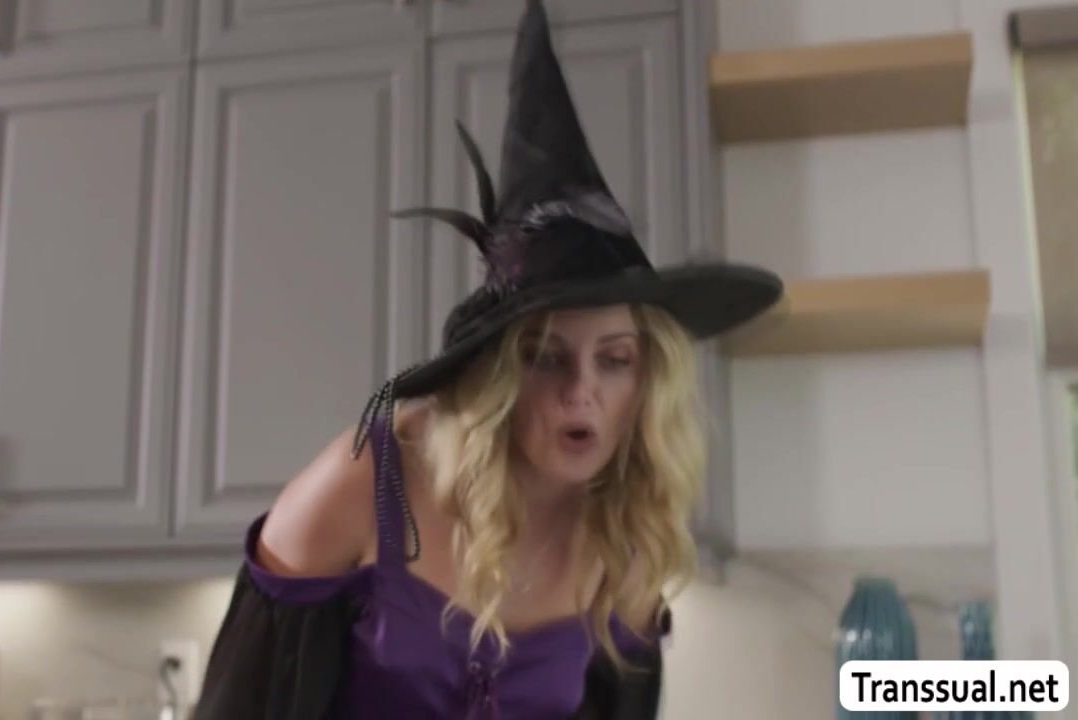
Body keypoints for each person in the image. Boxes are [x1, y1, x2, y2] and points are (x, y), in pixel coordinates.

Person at [190, 1, 783, 718]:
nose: (582, 392)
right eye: (545, 358)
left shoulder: (626, 540)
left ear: (648, 380)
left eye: (616, 360)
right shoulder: (364, 482)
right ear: (496, 376)